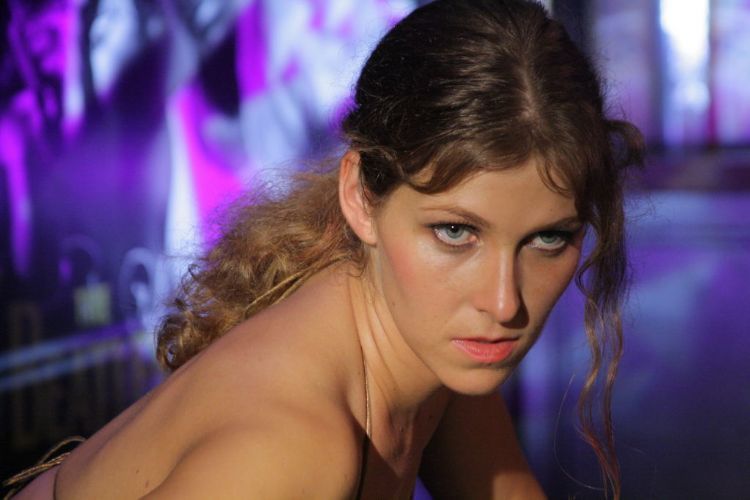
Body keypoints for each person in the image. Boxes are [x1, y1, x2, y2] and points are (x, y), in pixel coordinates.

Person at [6, 0, 643, 498]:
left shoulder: (437, 353)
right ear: (361, 197)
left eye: (549, 238)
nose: (503, 304)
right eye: (455, 233)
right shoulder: (295, 449)